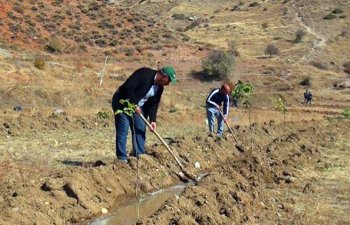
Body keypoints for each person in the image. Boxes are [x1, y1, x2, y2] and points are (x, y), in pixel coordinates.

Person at [111, 66, 176, 163]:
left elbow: (153, 104)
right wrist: (134, 104)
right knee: (123, 128)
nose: (168, 83)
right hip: (123, 103)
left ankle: (139, 156)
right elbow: (129, 87)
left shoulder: (159, 88)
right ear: (164, 77)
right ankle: (122, 158)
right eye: (169, 80)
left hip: (137, 107)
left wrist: (153, 120)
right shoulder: (144, 74)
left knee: (140, 127)